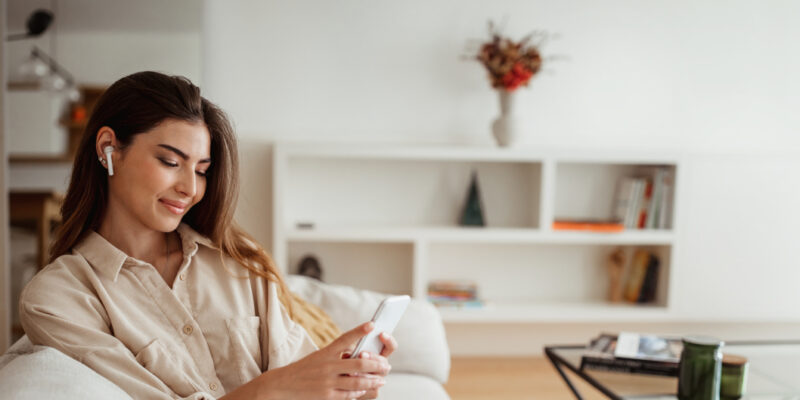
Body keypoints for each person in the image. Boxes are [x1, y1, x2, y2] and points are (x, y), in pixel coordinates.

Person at [18, 71, 396, 400]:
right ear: (108, 149)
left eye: (201, 170)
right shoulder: (59, 298)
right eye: (170, 162)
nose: (190, 188)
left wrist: (349, 384)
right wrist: (280, 387)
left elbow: (301, 373)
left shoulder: (237, 261)